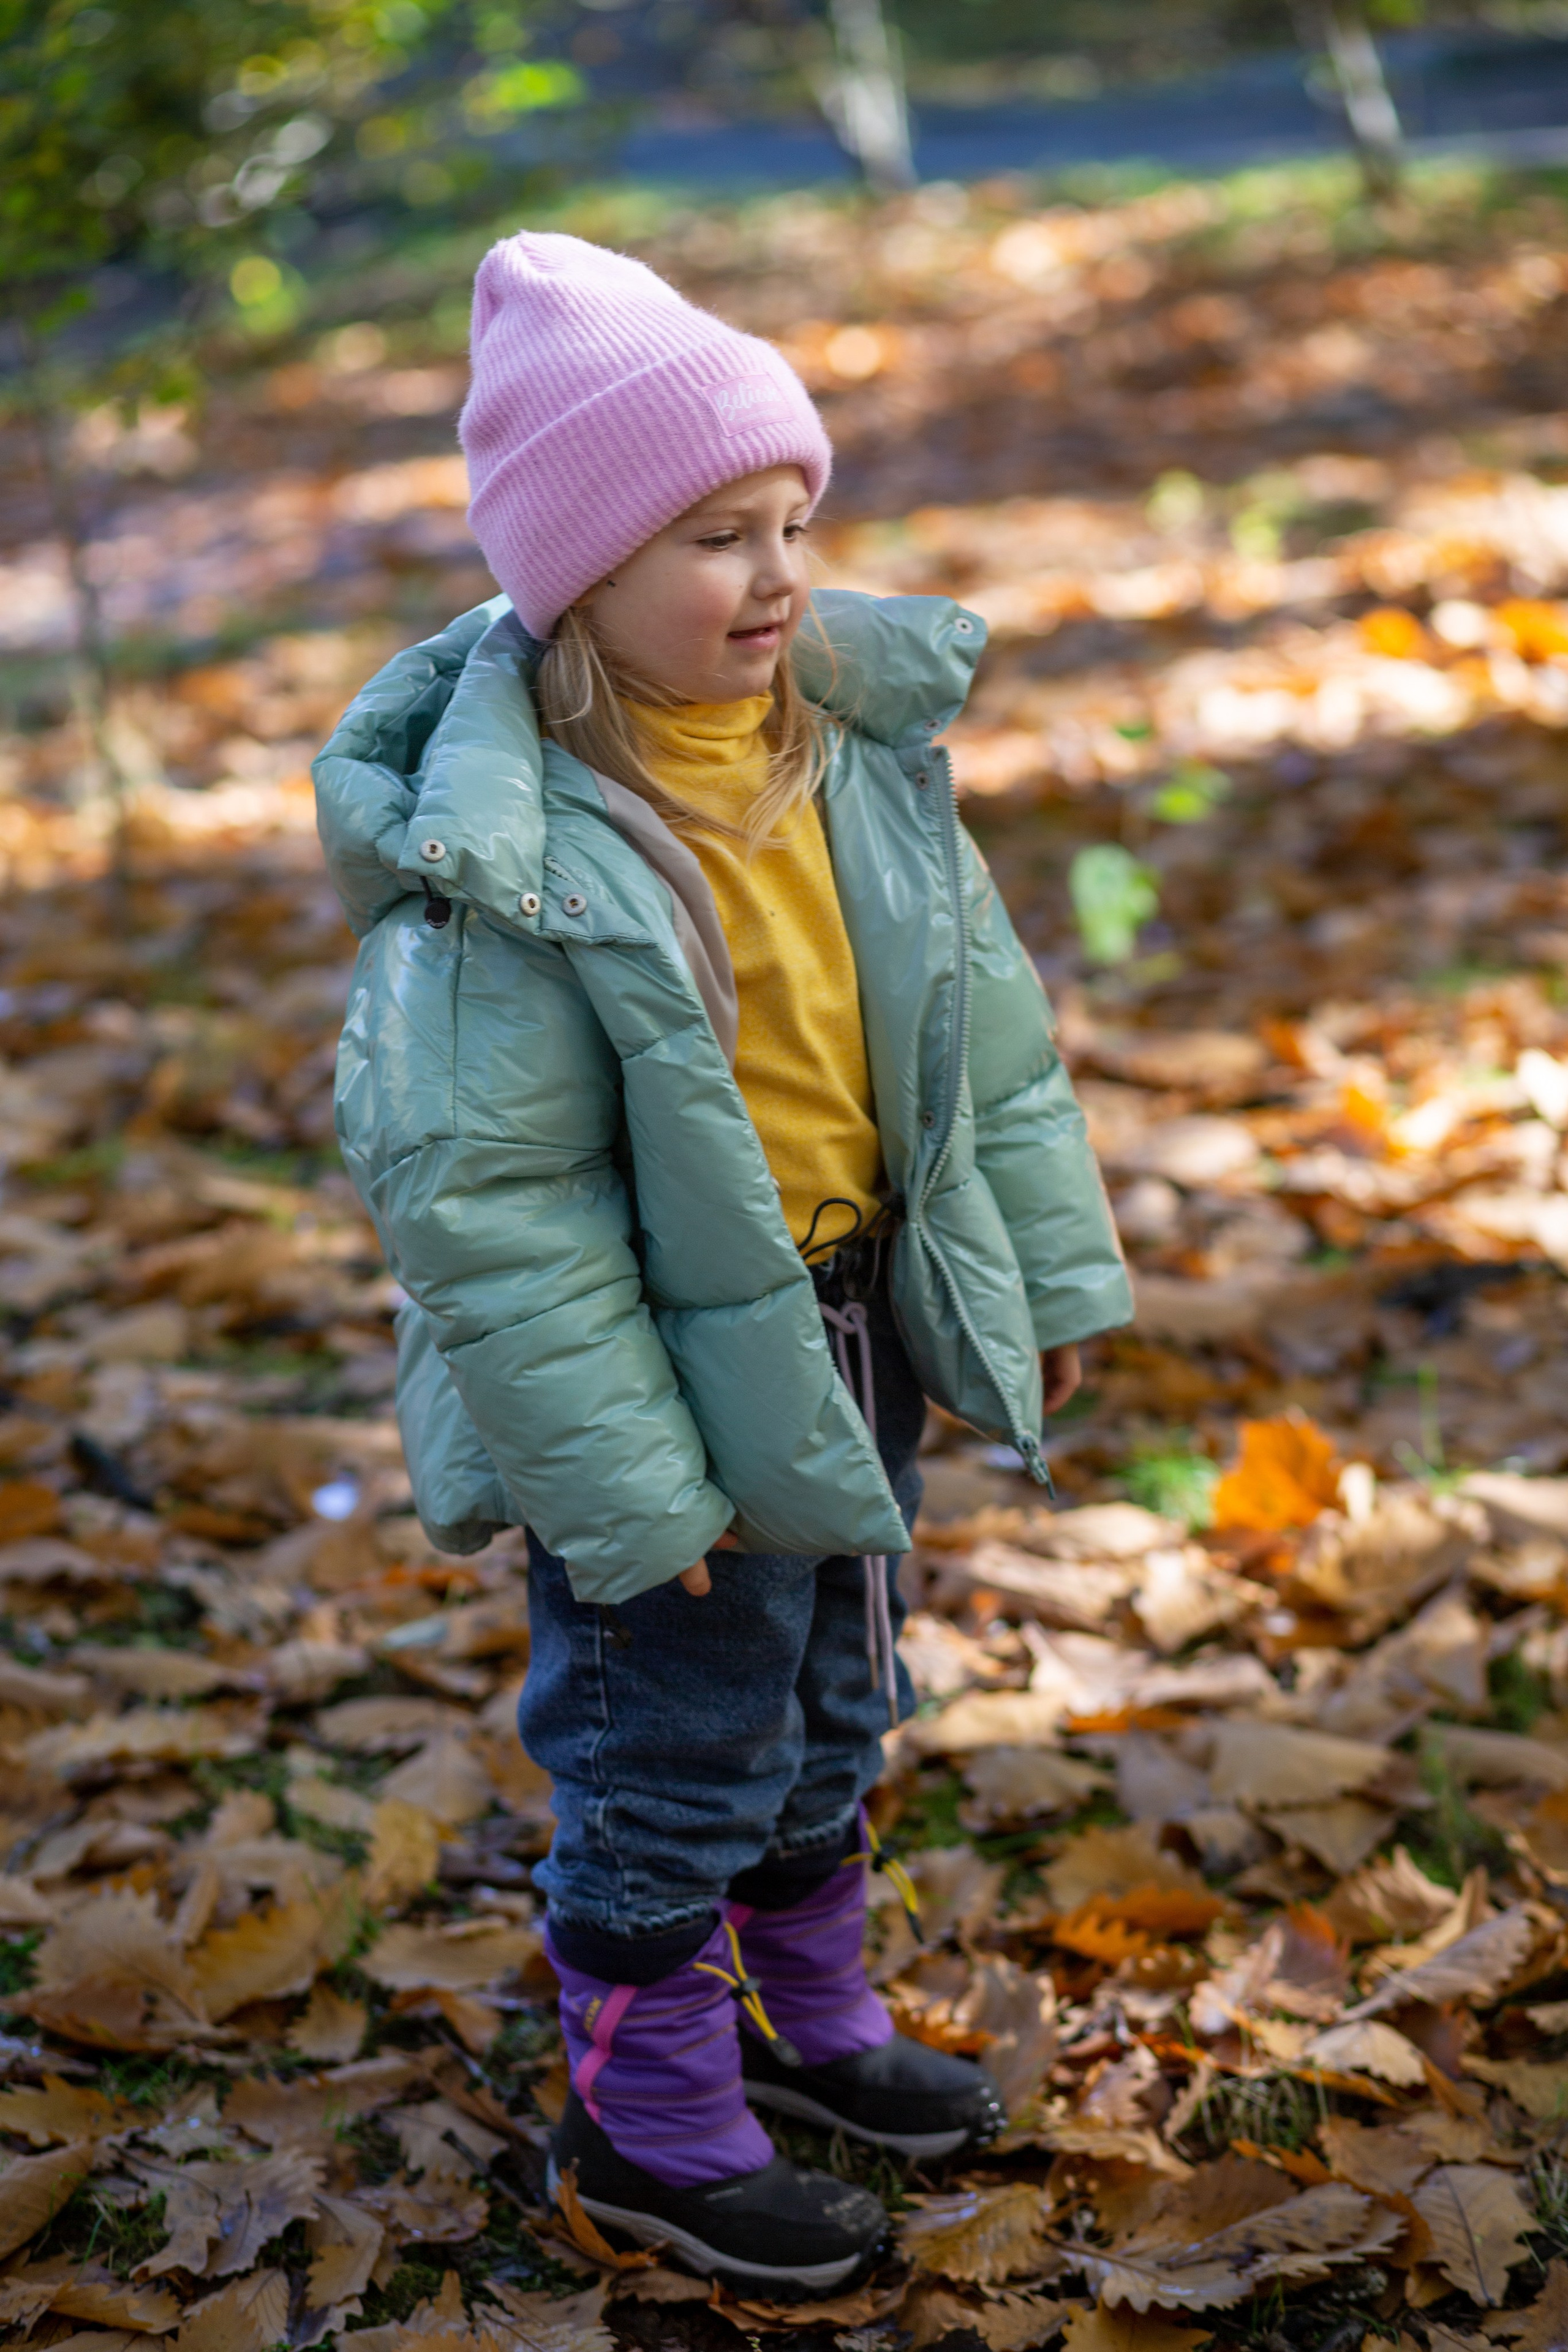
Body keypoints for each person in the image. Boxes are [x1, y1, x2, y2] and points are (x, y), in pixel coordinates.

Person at [314, 232, 1131, 2299]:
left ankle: (817, 2027)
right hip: (660, 1391)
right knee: (670, 1744)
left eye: (790, 522)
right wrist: (625, 1488)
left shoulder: (842, 760)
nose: (775, 576)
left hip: (853, 1326)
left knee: (835, 1699)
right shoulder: (512, 862)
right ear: (572, 575)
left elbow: (986, 1045)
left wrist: (1033, 1287)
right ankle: (652, 2119)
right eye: (710, 537)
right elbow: (490, 1213)